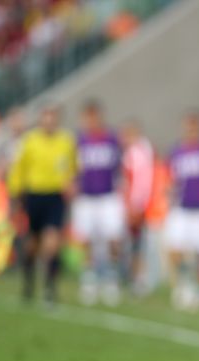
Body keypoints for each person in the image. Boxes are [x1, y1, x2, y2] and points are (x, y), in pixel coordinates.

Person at [7, 104, 77, 303]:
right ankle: (29, 283)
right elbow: (18, 170)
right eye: (46, 116)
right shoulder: (29, 141)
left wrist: (71, 183)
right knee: (32, 244)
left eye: (52, 117)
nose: (49, 121)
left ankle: (49, 288)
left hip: (55, 196)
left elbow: (73, 168)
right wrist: (16, 195)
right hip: (34, 195)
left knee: (52, 243)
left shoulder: (66, 141)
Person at [165, 110, 199, 311]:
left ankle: (195, 286)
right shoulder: (176, 151)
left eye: (195, 125)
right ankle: (181, 283)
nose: (192, 130)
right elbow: (170, 178)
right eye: (189, 125)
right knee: (175, 249)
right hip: (181, 207)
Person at [72, 100, 124, 305]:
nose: (92, 120)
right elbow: (71, 168)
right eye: (88, 116)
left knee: (113, 238)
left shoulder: (111, 139)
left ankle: (111, 276)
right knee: (86, 239)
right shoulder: (78, 140)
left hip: (108, 195)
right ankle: (90, 277)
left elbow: (120, 167)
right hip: (86, 197)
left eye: (95, 116)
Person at [120, 118, 156, 294]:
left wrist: (134, 205)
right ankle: (134, 277)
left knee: (137, 243)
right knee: (135, 242)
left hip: (138, 204)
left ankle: (137, 278)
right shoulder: (139, 151)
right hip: (139, 203)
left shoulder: (138, 152)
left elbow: (140, 182)